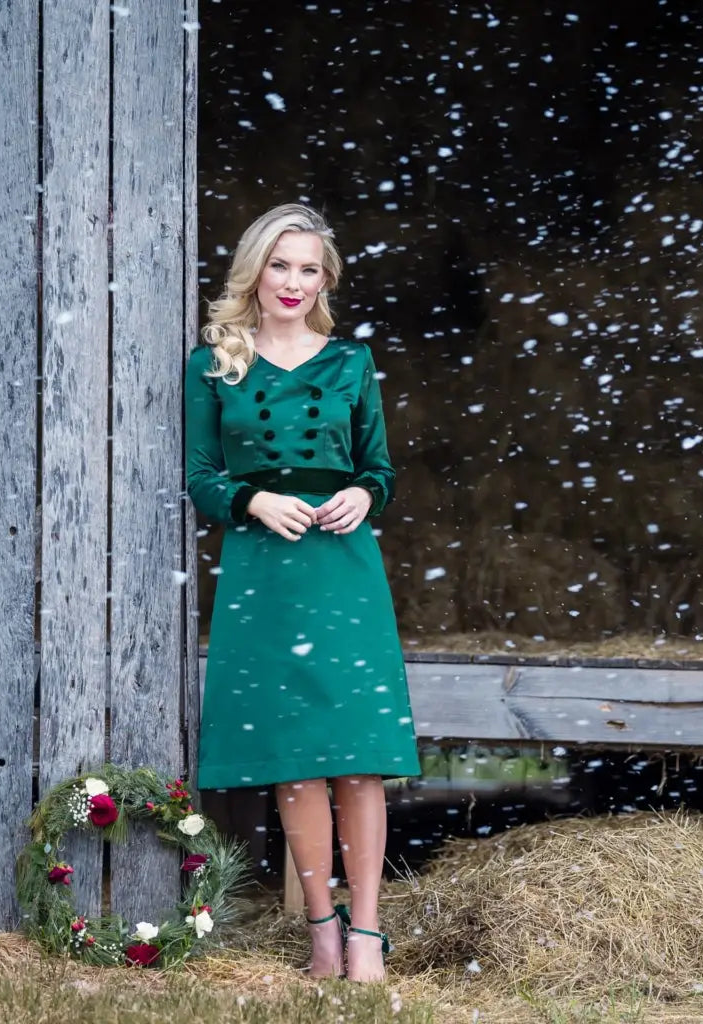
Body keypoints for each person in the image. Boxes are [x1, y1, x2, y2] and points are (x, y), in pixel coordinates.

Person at [184, 203, 420, 982]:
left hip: (341, 568)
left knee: (360, 758)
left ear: (325, 279)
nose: (293, 281)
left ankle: (367, 937)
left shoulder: (350, 365)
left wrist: (364, 495)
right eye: (280, 265)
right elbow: (201, 478)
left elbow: (379, 469)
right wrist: (251, 500)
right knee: (297, 760)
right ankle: (321, 932)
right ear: (255, 270)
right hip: (264, 570)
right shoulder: (215, 363)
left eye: (308, 268)